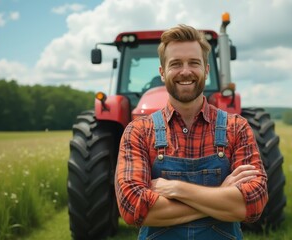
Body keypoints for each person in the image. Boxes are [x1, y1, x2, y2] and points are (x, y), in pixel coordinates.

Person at [115, 24, 268, 240]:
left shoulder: (237, 127)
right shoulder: (138, 131)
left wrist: (176, 189)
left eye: (194, 63)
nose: (185, 71)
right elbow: (133, 208)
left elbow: (253, 204)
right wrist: (223, 195)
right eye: (176, 64)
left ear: (206, 70)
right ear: (162, 72)